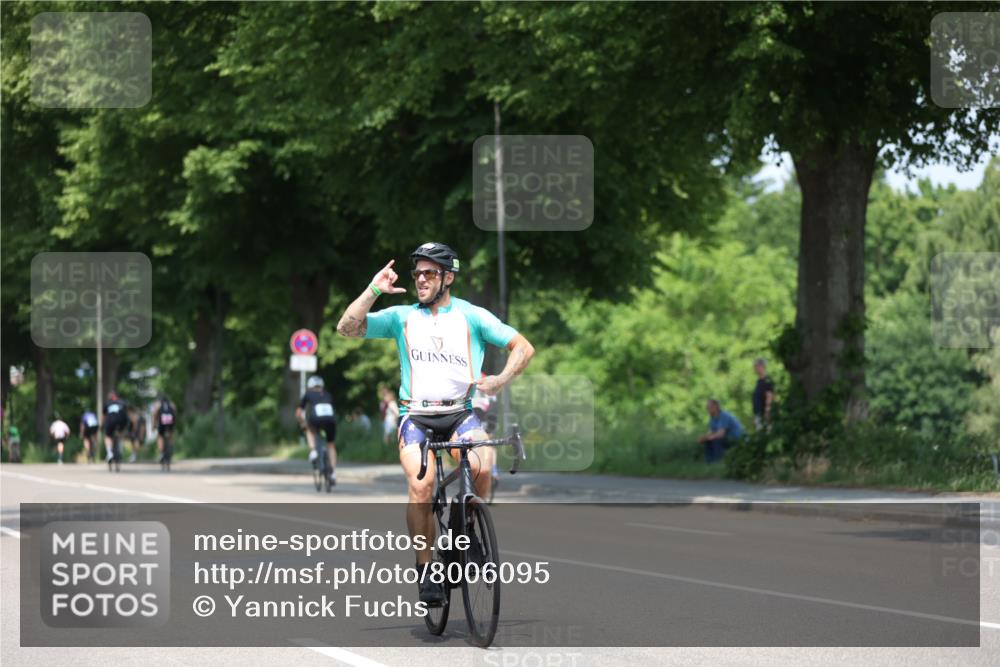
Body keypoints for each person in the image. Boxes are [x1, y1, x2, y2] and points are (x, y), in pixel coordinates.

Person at [336, 241, 535, 606]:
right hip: (417, 416)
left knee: (484, 466)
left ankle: (465, 534)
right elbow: (347, 328)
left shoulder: (472, 316)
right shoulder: (402, 317)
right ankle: (427, 570)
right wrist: (374, 290)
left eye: (429, 274)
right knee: (422, 485)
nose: (420, 281)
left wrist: (501, 379)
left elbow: (523, 347)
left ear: (448, 277)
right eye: (417, 274)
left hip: (460, 412)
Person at [296, 375, 338, 486]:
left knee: (309, 430)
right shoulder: (328, 394)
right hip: (330, 421)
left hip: (316, 420)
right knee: (331, 445)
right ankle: (333, 473)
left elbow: (299, 412)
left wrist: (302, 423)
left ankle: (313, 450)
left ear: (310, 386)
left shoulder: (308, 394)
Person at [697, 399, 744, 464]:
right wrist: (703, 438)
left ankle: (718, 462)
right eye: (707, 407)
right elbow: (711, 433)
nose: (707, 409)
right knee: (708, 440)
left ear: (716, 407)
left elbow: (720, 434)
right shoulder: (713, 418)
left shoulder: (724, 416)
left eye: (709, 407)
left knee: (716, 440)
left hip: (737, 439)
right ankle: (709, 463)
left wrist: (707, 438)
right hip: (727, 438)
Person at [103, 391, 130, 463]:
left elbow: (104, 416)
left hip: (111, 421)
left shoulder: (107, 403)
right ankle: (120, 449)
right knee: (121, 433)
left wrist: (103, 425)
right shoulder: (122, 402)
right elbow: (126, 414)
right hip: (121, 421)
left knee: (108, 436)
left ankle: (109, 453)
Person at [752, 358, 776, 431]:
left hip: (764, 414)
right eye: (755, 366)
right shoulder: (759, 381)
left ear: (762, 367)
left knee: (767, 433)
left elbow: (770, 395)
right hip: (759, 413)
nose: (755, 368)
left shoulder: (767, 379)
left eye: (757, 366)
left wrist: (768, 410)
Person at [152, 395, 177, 464]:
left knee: (160, 437)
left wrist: (153, 426)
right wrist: (174, 425)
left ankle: (162, 454)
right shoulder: (172, 404)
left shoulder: (158, 404)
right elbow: (175, 414)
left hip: (162, 423)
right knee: (170, 436)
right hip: (170, 423)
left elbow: (154, 415)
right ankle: (170, 449)